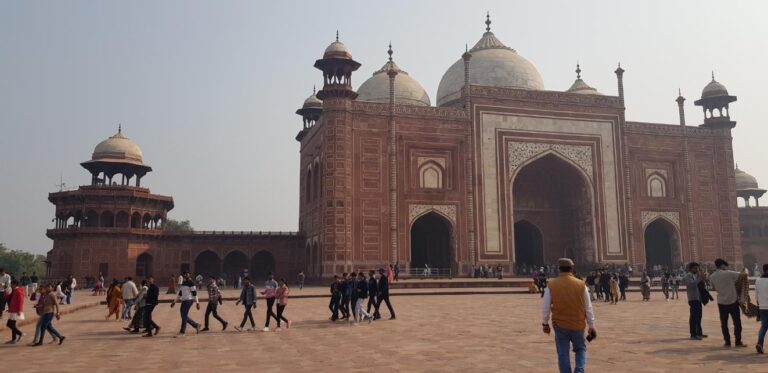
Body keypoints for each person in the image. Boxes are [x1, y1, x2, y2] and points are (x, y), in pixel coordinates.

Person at [541, 258, 596, 373]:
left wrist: (545, 323)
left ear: (559, 269)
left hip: (560, 325)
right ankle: (579, 371)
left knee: (563, 354)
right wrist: (591, 325)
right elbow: (588, 307)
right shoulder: (581, 284)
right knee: (581, 349)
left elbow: (545, 307)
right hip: (578, 324)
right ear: (572, 269)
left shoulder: (551, 284)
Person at [709, 258, 745, 347]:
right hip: (733, 301)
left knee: (724, 323)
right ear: (722, 265)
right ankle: (738, 341)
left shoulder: (712, 276)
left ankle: (727, 341)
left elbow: (713, 288)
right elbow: (742, 275)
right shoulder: (728, 273)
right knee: (737, 323)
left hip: (721, 302)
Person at [682, 262, 708, 340]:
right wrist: (699, 279)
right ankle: (693, 334)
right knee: (694, 317)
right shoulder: (688, 276)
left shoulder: (696, 275)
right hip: (693, 298)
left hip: (698, 298)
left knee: (699, 316)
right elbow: (691, 285)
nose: (697, 269)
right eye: (695, 268)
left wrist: (703, 278)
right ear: (691, 269)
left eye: (697, 268)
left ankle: (699, 333)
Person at [170, 273, 201, 337]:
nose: (185, 275)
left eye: (187, 274)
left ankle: (182, 331)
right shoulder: (183, 283)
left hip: (189, 301)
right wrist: (174, 302)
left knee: (184, 316)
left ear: (189, 275)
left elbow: (195, 294)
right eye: (185, 275)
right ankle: (196, 325)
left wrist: (197, 303)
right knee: (183, 316)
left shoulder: (191, 283)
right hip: (184, 301)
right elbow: (180, 294)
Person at [5, 279, 25, 343]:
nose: (11, 285)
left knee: (9, 324)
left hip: (15, 310)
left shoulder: (18, 291)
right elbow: (10, 298)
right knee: (12, 324)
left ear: (14, 284)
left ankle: (20, 334)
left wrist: (19, 310)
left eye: (11, 284)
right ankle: (14, 339)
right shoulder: (15, 290)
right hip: (13, 309)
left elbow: (20, 301)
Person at [756, 263, 768, 353]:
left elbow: (756, 296)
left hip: (762, 307)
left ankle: (760, 343)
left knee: (764, 326)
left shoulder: (758, 280)